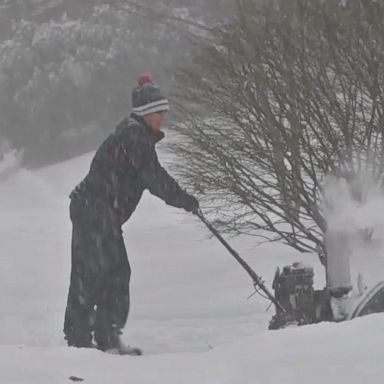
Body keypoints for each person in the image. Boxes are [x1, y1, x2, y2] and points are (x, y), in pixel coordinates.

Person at [63, 73, 199, 355]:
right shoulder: (134, 136)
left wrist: (184, 200)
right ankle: (83, 341)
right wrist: (186, 200)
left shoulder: (135, 134)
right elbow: (154, 178)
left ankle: (103, 337)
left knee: (111, 273)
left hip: (99, 211)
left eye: (164, 112)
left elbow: (151, 176)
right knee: (95, 273)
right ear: (146, 113)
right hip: (94, 209)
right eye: (159, 112)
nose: (163, 117)